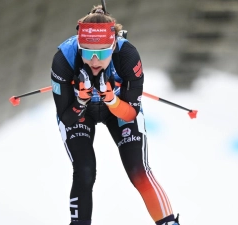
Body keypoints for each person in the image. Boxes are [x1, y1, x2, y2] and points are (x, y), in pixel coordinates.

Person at [50, 4, 180, 225]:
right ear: (79, 46)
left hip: (118, 108)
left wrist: (112, 100)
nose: (94, 61)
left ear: (113, 46)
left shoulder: (128, 55)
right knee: (85, 170)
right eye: (88, 52)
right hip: (79, 111)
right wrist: (80, 101)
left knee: (138, 169)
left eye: (101, 53)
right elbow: (66, 118)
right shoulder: (63, 59)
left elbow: (130, 114)